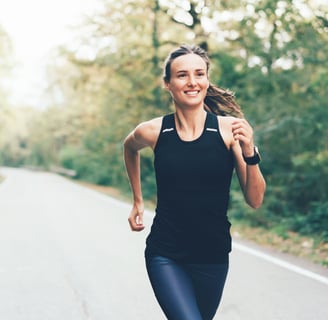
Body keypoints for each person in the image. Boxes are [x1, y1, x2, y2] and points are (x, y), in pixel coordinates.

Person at [123, 44, 266, 320]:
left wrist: (250, 152)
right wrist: (137, 200)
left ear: (207, 80)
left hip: (212, 255)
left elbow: (255, 200)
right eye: (182, 75)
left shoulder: (229, 130)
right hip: (165, 254)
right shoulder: (153, 131)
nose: (192, 82)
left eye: (199, 74)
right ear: (168, 83)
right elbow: (129, 148)